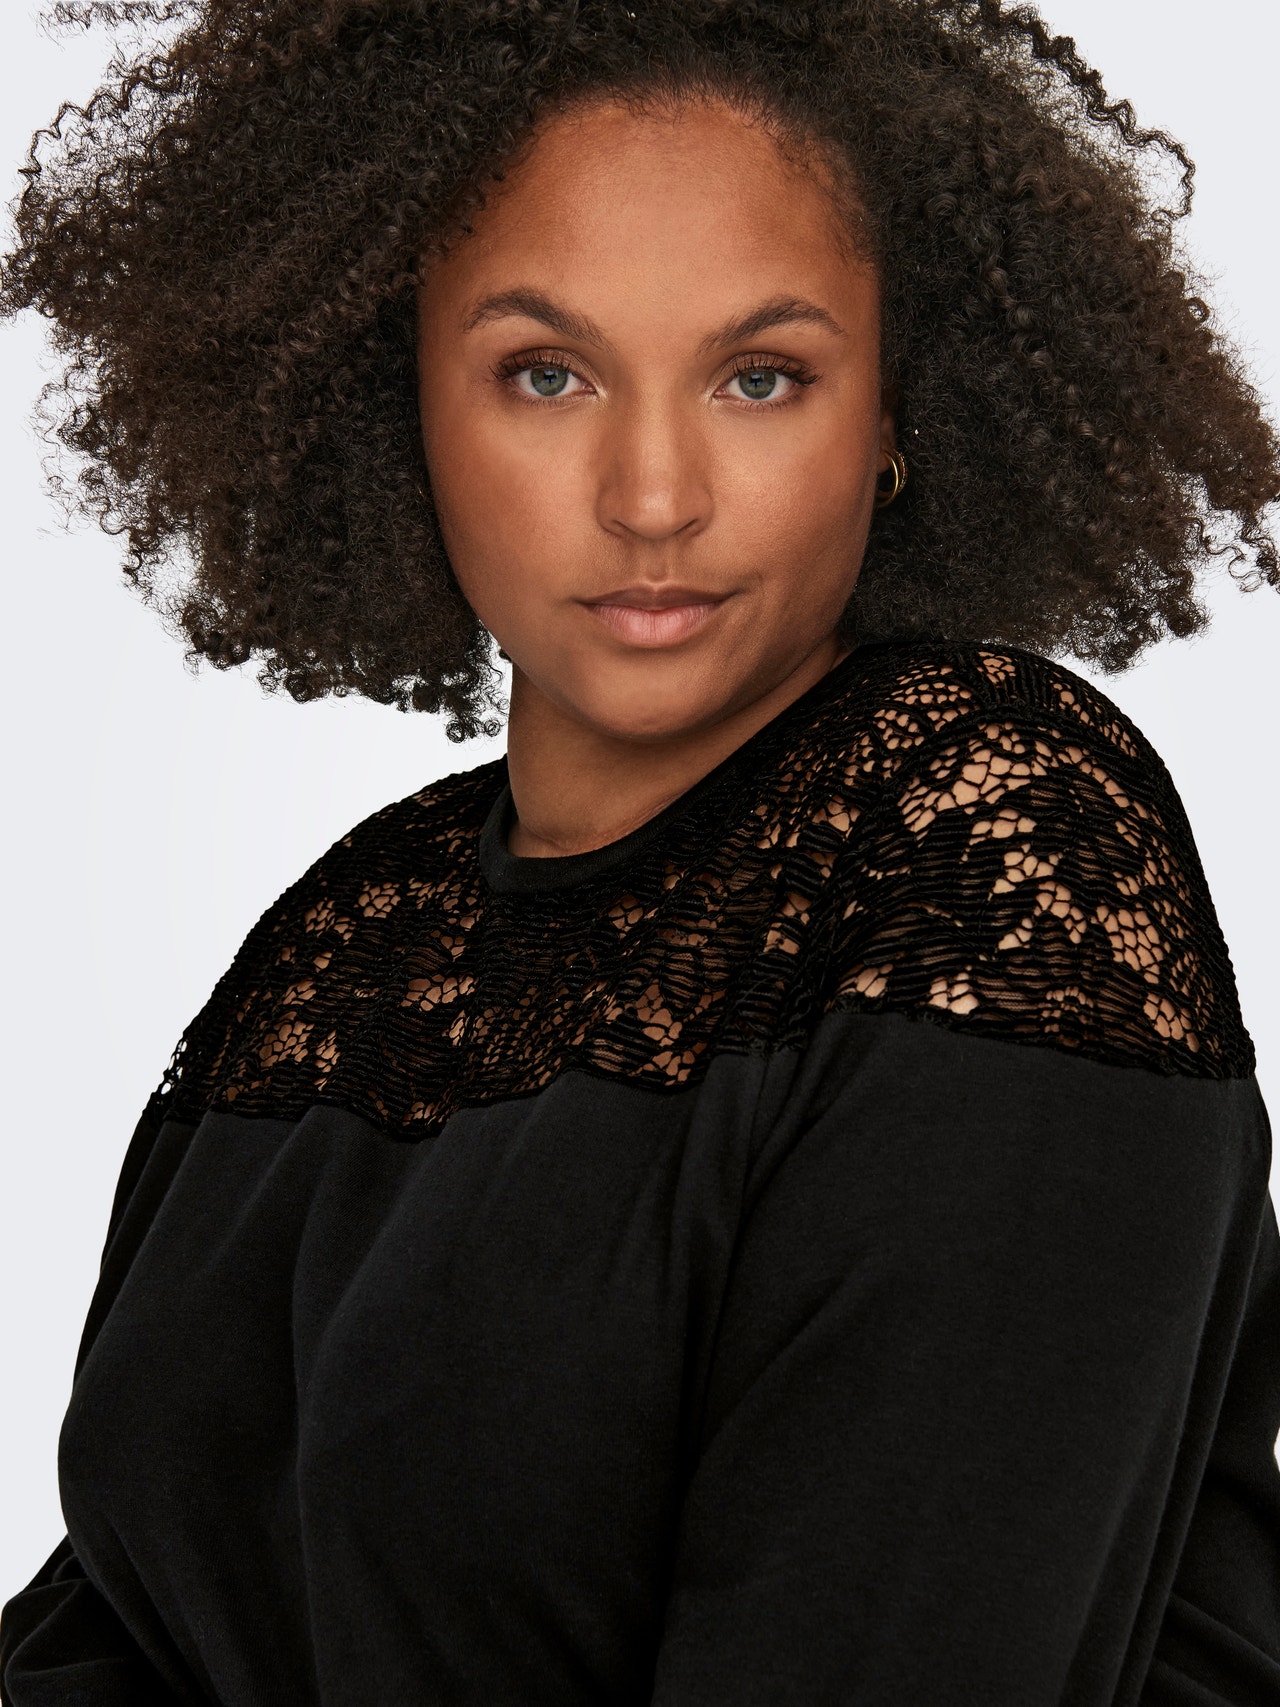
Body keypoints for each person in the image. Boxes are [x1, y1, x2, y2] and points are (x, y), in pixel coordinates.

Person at [2, 0, 1279, 1701]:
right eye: (548, 373)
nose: (655, 494)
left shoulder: (985, 833)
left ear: (895, 411)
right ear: (395, 403)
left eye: (762, 377)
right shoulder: (352, 939)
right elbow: (113, 1619)